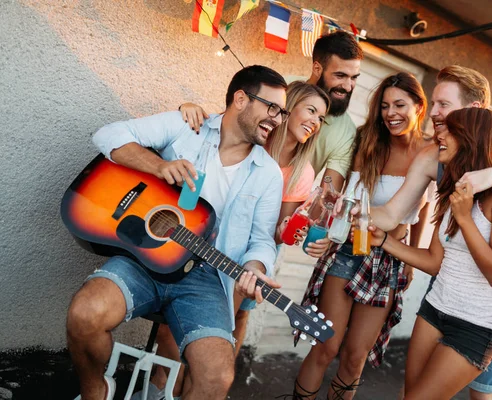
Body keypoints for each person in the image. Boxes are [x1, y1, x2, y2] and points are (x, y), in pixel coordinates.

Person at [66, 65, 287, 400]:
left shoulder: (269, 173)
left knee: (217, 378)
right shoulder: (187, 126)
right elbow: (108, 135)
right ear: (241, 99)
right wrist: (159, 166)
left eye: (282, 112)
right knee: (84, 315)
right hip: (145, 261)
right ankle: (96, 389)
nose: (278, 118)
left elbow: (261, 239)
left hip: (206, 278)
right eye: (272, 108)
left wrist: (255, 268)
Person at [367, 65, 492, 400]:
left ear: (474, 111)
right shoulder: (438, 159)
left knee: (482, 393)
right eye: (433, 103)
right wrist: (346, 215)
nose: (432, 113)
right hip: (448, 282)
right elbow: (392, 214)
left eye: (443, 104)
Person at [135, 81, 333, 400]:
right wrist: (187, 106)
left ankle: (202, 388)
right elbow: (213, 130)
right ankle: (163, 383)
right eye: (311, 110)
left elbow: (275, 232)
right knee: (178, 319)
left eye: (321, 118)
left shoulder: (303, 172)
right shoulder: (254, 135)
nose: (315, 121)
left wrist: (288, 230)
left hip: (248, 255)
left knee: (232, 319)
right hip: (201, 236)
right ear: (286, 109)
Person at [289, 72, 434, 400]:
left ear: (419, 106)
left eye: (400, 104)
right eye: (384, 106)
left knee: (355, 358)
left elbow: (422, 206)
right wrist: (322, 230)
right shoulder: (365, 138)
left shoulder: (430, 151)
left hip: (388, 260)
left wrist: (411, 258)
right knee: (326, 346)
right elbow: (336, 195)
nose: (390, 113)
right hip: (346, 251)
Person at [370, 107, 492, 399]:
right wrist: (384, 242)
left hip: (477, 326)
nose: (438, 134)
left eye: (449, 131)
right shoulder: (452, 187)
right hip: (435, 309)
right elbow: (434, 262)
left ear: (470, 139)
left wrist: (465, 218)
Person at [181, 30, 364, 193]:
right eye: (340, 76)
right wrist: (189, 110)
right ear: (317, 68)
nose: (348, 86)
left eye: (354, 78)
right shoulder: (281, 87)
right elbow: (230, 120)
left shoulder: (346, 132)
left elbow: (328, 195)